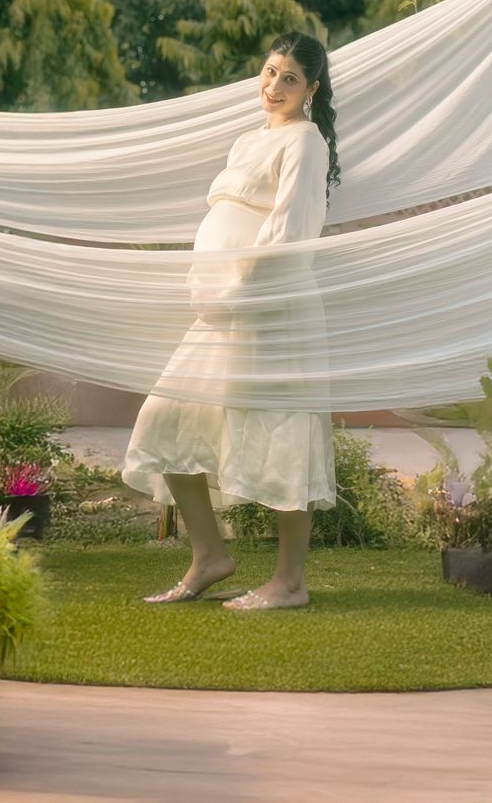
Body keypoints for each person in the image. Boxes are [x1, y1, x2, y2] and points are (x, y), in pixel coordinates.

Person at [120, 30, 341, 611]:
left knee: (282, 433)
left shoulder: (305, 141)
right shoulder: (247, 141)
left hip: (270, 310)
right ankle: (209, 557)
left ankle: (289, 582)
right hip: (220, 313)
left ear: (311, 89)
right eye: (270, 72)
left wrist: (240, 292)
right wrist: (208, 288)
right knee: (167, 419)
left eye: (290, 78)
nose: (275, 86)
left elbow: (288, 230)